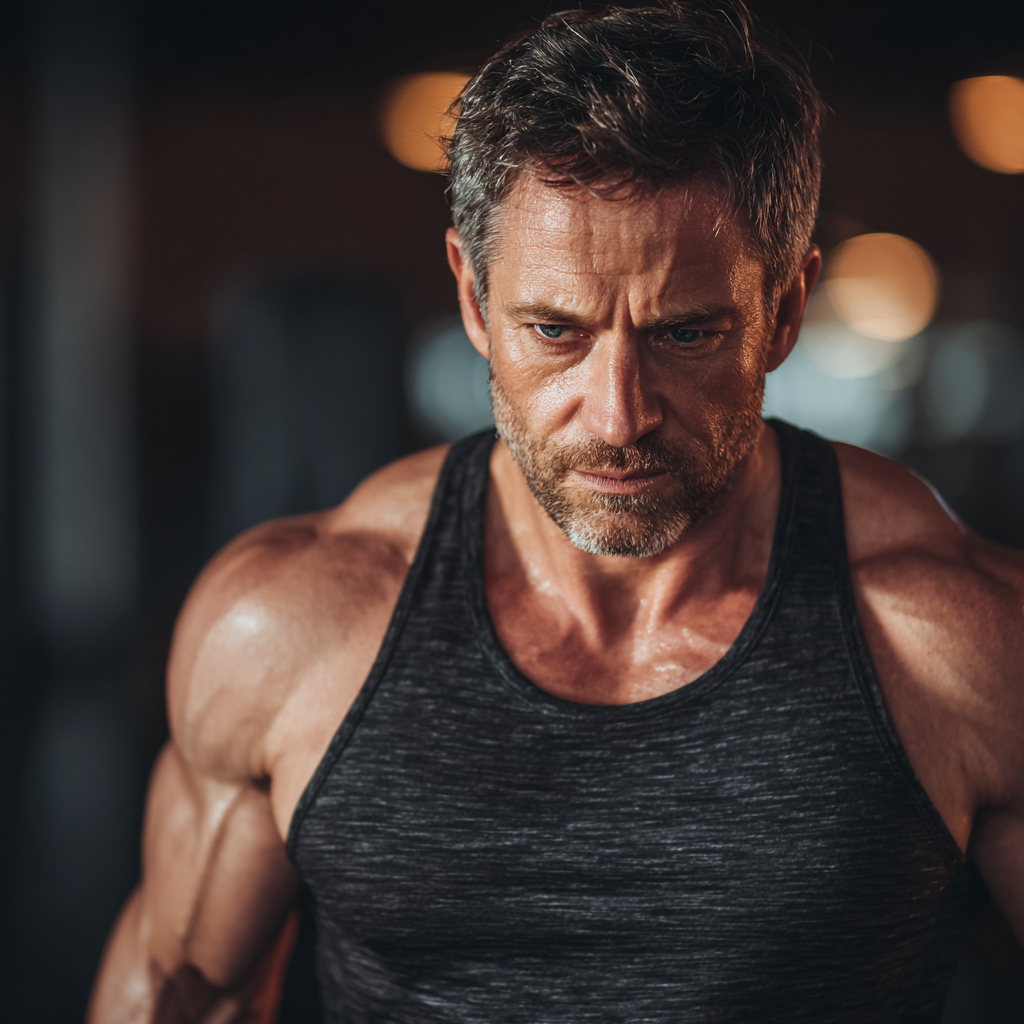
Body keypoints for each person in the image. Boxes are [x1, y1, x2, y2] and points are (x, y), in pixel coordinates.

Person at [90, 3, 1024, 1021]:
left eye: (685, 333)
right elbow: (184, 992)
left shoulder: (959, 643)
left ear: (785, 309)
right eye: (554, 329)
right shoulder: (290, 626)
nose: (618, 414)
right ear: (473, 300)